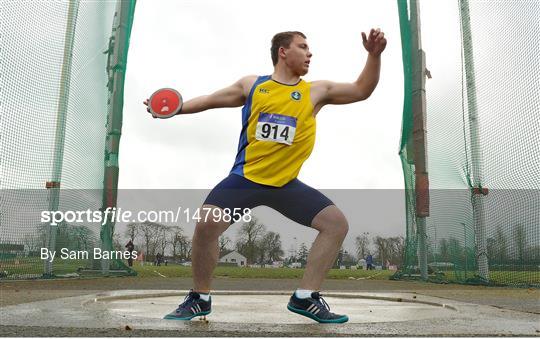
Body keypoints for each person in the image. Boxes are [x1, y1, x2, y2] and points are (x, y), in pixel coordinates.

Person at [144, 29, 386, 323]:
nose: (310, 53)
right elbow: (209, 99)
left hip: (285, 185)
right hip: (245, 178)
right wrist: (174, 109)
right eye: (303, 47)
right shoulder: (253, 85)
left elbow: (362, 89)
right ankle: (200, 298)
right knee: (207, 222)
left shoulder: (316, 91)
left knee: (336, 224)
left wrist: (374, 56)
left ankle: (305, 297)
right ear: (283, 51)